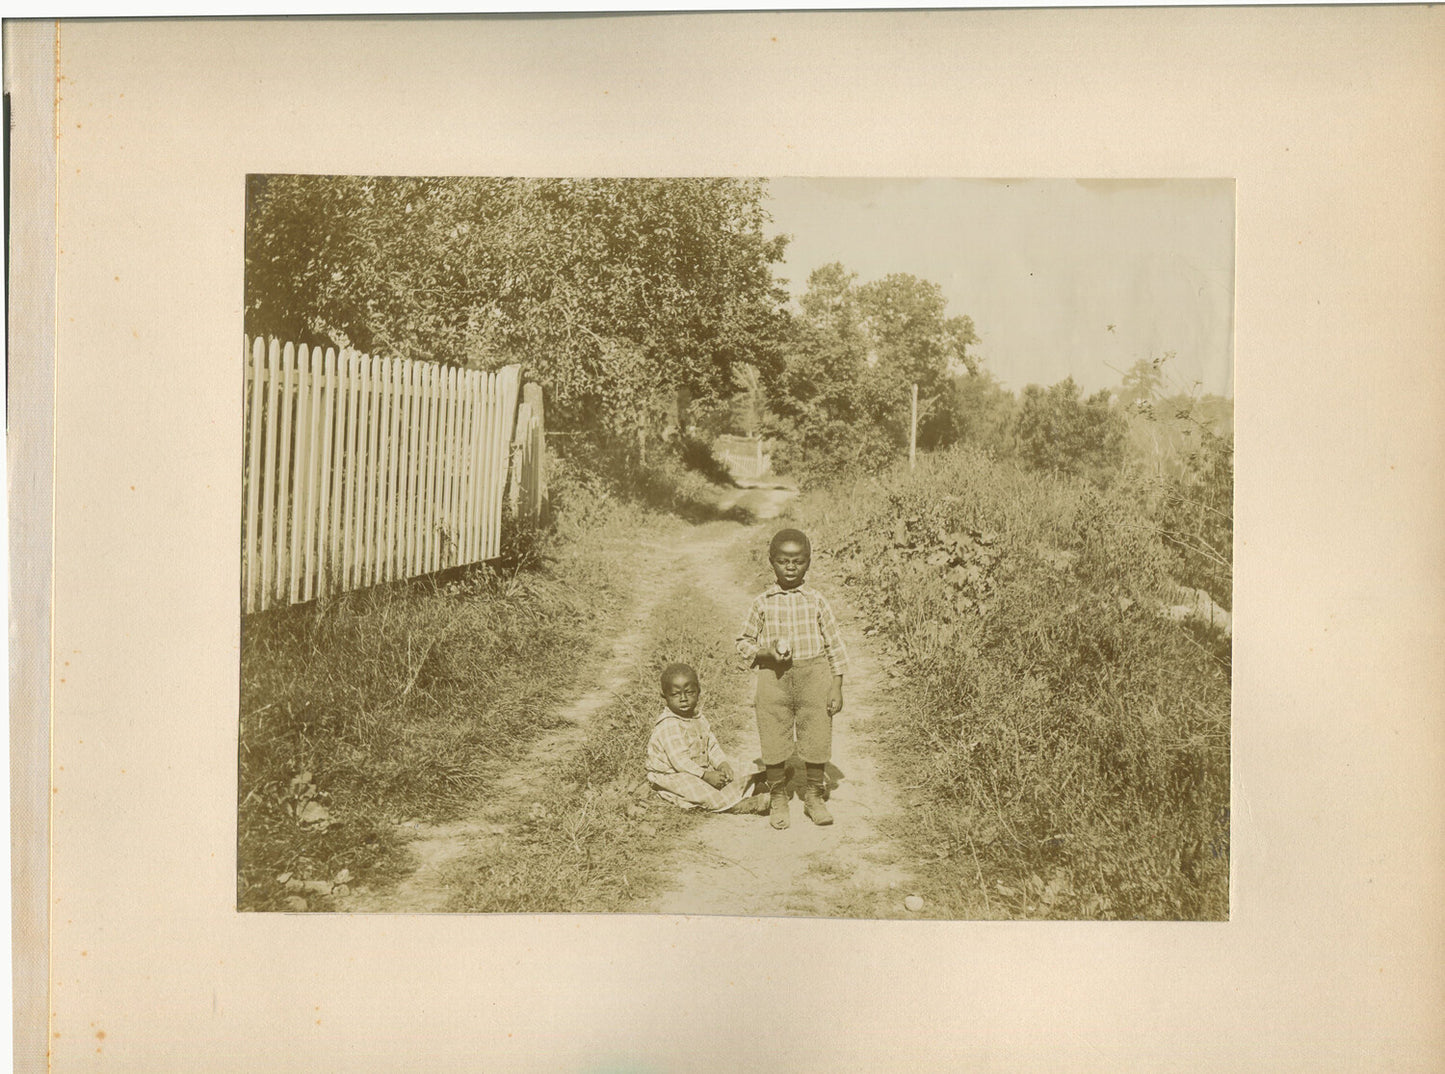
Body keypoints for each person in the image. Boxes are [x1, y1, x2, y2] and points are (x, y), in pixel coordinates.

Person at [736, 528, 848, 829]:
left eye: (797, 561)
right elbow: (742, 643)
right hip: (773, 678)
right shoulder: (762, 602)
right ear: (772, 562)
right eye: (783, 561)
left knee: (817, 733)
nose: (790, 567)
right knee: (772, 732)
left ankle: (813, 796)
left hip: (814, 675)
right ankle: (778, 796)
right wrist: (765, 652)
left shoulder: (816, 601)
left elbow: (834, 643)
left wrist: (836, 685)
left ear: (808, 563)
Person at [645, 663, 769, 814]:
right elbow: (680, 762)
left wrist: (722, 764)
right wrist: (705, 775)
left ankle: (757, 780)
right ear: (664, 695)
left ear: (698, 691)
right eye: (675, 694)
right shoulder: (669, 725)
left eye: (689, 692)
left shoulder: (699, 718)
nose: (683, 699)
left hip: (700, 768)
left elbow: (711, 746)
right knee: (698, 790)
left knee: (734, 766)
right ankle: (740, 805)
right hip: (674, 775)